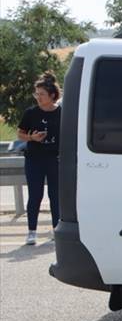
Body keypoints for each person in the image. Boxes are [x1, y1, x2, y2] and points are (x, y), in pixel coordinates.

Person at [16, 73, 62, 245]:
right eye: (36, 94)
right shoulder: (30, 113)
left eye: (41, 94)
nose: (38, 97)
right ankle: (31, 231)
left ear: (52, 95)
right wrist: (32, 138)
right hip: (34, 159)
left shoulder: (62, 113)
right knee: (35, 195)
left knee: (55, 196)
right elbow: (20, 134)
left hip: (55, 159)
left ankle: (57, 231)